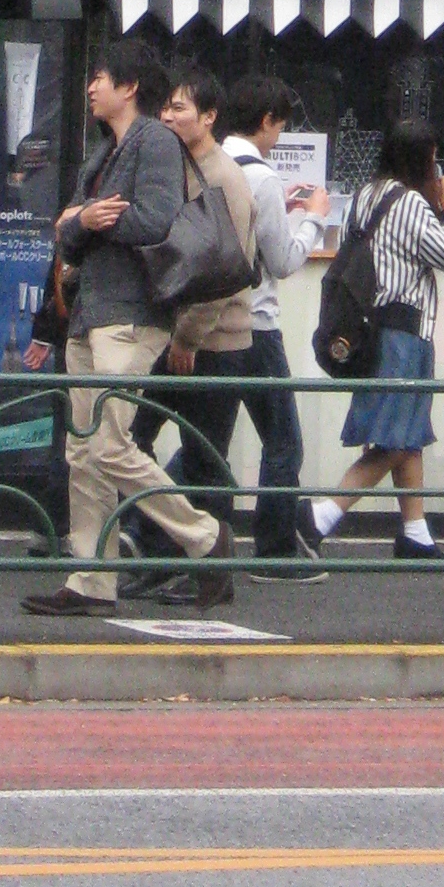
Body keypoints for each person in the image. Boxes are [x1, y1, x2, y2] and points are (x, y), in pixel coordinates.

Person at [23, 48, 228, 616]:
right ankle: (91, 580)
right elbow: (65, 231)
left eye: (100, 78)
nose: (91, 87)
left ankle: (207, 537)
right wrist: (84, 219)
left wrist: (90, 220)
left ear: (129, 86)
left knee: (110, 445)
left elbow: (157, 220)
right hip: (89, 314)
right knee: (83, 451)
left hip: (132, 314)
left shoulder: (155, 142)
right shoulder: (104, 152)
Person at [308, 120, 444, 561]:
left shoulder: (365, 195)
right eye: (433, 159)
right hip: (404, 335)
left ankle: (415, 533)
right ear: (422, 160)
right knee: (395, 440)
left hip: (371, 330)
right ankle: (321, 515)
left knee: (408, 432)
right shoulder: (411, 202)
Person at [139, 67, 265, 597]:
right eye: (166, 107)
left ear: (209, 117)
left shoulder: (224, 177)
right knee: (134, 439)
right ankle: (161, 552)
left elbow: (225, 269)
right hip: (172, 336)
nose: (168, 117)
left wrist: (188, 337)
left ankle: (213, 572)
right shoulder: (179, 167)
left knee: (206, 457)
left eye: (180, 108)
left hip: (214, 343)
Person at [220, 72, 330, 567]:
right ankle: (275, 550)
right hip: (257, 327)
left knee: (206, 440)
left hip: (211, 325)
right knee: (284, 443)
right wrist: (314, 217)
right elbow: (283, 261)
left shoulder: (212, 162)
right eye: (281, 125)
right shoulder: (261, 177)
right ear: (266, 121)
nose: (280, 135)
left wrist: (278, 207)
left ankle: (152, 528)